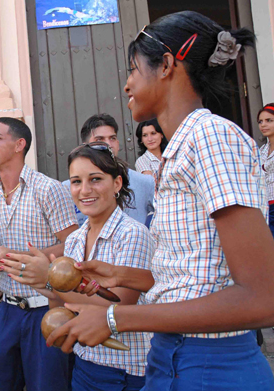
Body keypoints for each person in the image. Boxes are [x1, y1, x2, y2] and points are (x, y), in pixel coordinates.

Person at [45, 11, 274, 390]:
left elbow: (263, 296)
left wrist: (116, 317)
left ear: (166, 64)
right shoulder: (179, 151)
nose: (127, 84)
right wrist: (121, 276)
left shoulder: (211, 137)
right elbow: (197, 278)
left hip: (211, 366)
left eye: (134, 69)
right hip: (174, 356)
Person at [3, 142, 154, 390]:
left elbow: (120, 304)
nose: (84, 190)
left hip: (125, 370)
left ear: (117, 184)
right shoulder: (74, 239)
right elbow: (64, 303)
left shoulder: (133, 234)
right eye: (76, 181)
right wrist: (37, 281)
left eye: (95, 179)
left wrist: (49, 279)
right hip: (85, 363)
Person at [0, 117, 78, 391]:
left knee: (47, 385)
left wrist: (15, 255)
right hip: (8, 307)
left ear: (19, 144)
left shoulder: (48, 189)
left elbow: (73, 245)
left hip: (46, 307)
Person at [62, 114, 154, 227]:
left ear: (117, 183)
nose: (108, 144)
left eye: (112, 138)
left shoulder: (144, 182)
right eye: (99, 139)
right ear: (85, 147)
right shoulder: (67, 190)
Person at [258, 103, 274, 237]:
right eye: (260, 121)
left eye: (269, 120)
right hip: (266, 206)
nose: (263, 125)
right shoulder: (261, 151)